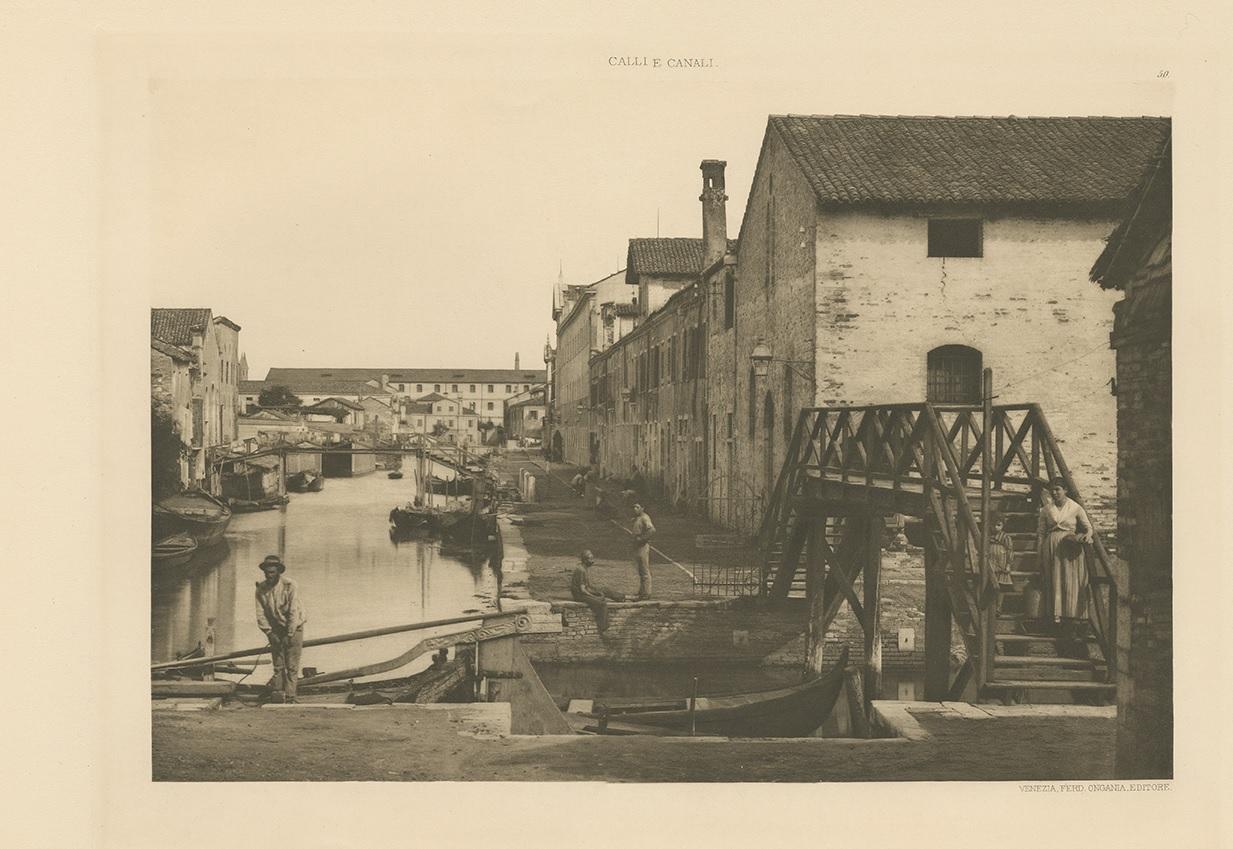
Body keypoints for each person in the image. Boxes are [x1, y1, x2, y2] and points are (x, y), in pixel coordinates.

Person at [1037, 479, 1094, 629]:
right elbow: (1041, 533)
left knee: (1070, 579)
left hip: (1070, 545)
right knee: (1054, 578)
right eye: (1052, 491)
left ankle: (1073, 615)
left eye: (1058, 490)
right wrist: (1040, 551)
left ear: (1065, 490)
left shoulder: (1075, 507)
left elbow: (1088, 527)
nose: (1055, 493)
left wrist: (1087, 536)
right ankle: (1055, 616)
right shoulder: (1047, 509)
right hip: (1051, 545)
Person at [254, 554, 307, 703]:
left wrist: (289, 635)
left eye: (272, 572)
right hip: (276, 628)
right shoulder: (261, 589)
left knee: (292, 665)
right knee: (278, 665)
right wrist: (270, 633)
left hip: (295, 626)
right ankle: (278, 696)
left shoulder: (290, 585)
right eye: (266, 572)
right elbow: (260, 614)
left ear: (278, 572)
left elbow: (293, 612)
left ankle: (290, 696)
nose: (269, 575)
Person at [570, 550, 626, 632]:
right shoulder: (581, 570)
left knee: (604, 590)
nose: (592, 561)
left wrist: (597, 591)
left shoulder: (584, 568)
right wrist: (594, 596)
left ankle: (622, 597)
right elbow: (582, 590)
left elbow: (586, 586)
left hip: (584, 591)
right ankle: (603, 627)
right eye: (590, 559)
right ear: (585, 560)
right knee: (602, 604)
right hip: (580, 595)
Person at [987, 513, 1015, 611]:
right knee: (990, 584)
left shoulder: (1005, 537)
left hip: (1001, 564)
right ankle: (990, 606)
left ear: (1003, 525)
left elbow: (1010, 551)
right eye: (993, 525)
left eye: (998, 525)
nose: (996, 527)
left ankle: (999, 607)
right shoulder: (988, 537)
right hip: (991, 564)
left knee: (1001, 587)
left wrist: (1008, 565)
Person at [630, 502, 656, 600]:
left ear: (642, 508)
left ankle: (647, 593)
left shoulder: (645, 517)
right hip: (637, 545)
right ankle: (642, 591)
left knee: (644, 569)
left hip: (642, 546)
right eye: (634, 507)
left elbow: (652, 530)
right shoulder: (638, 518)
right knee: (640, 569)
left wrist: (642, 539)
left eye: (637, 507)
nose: (635, 509)